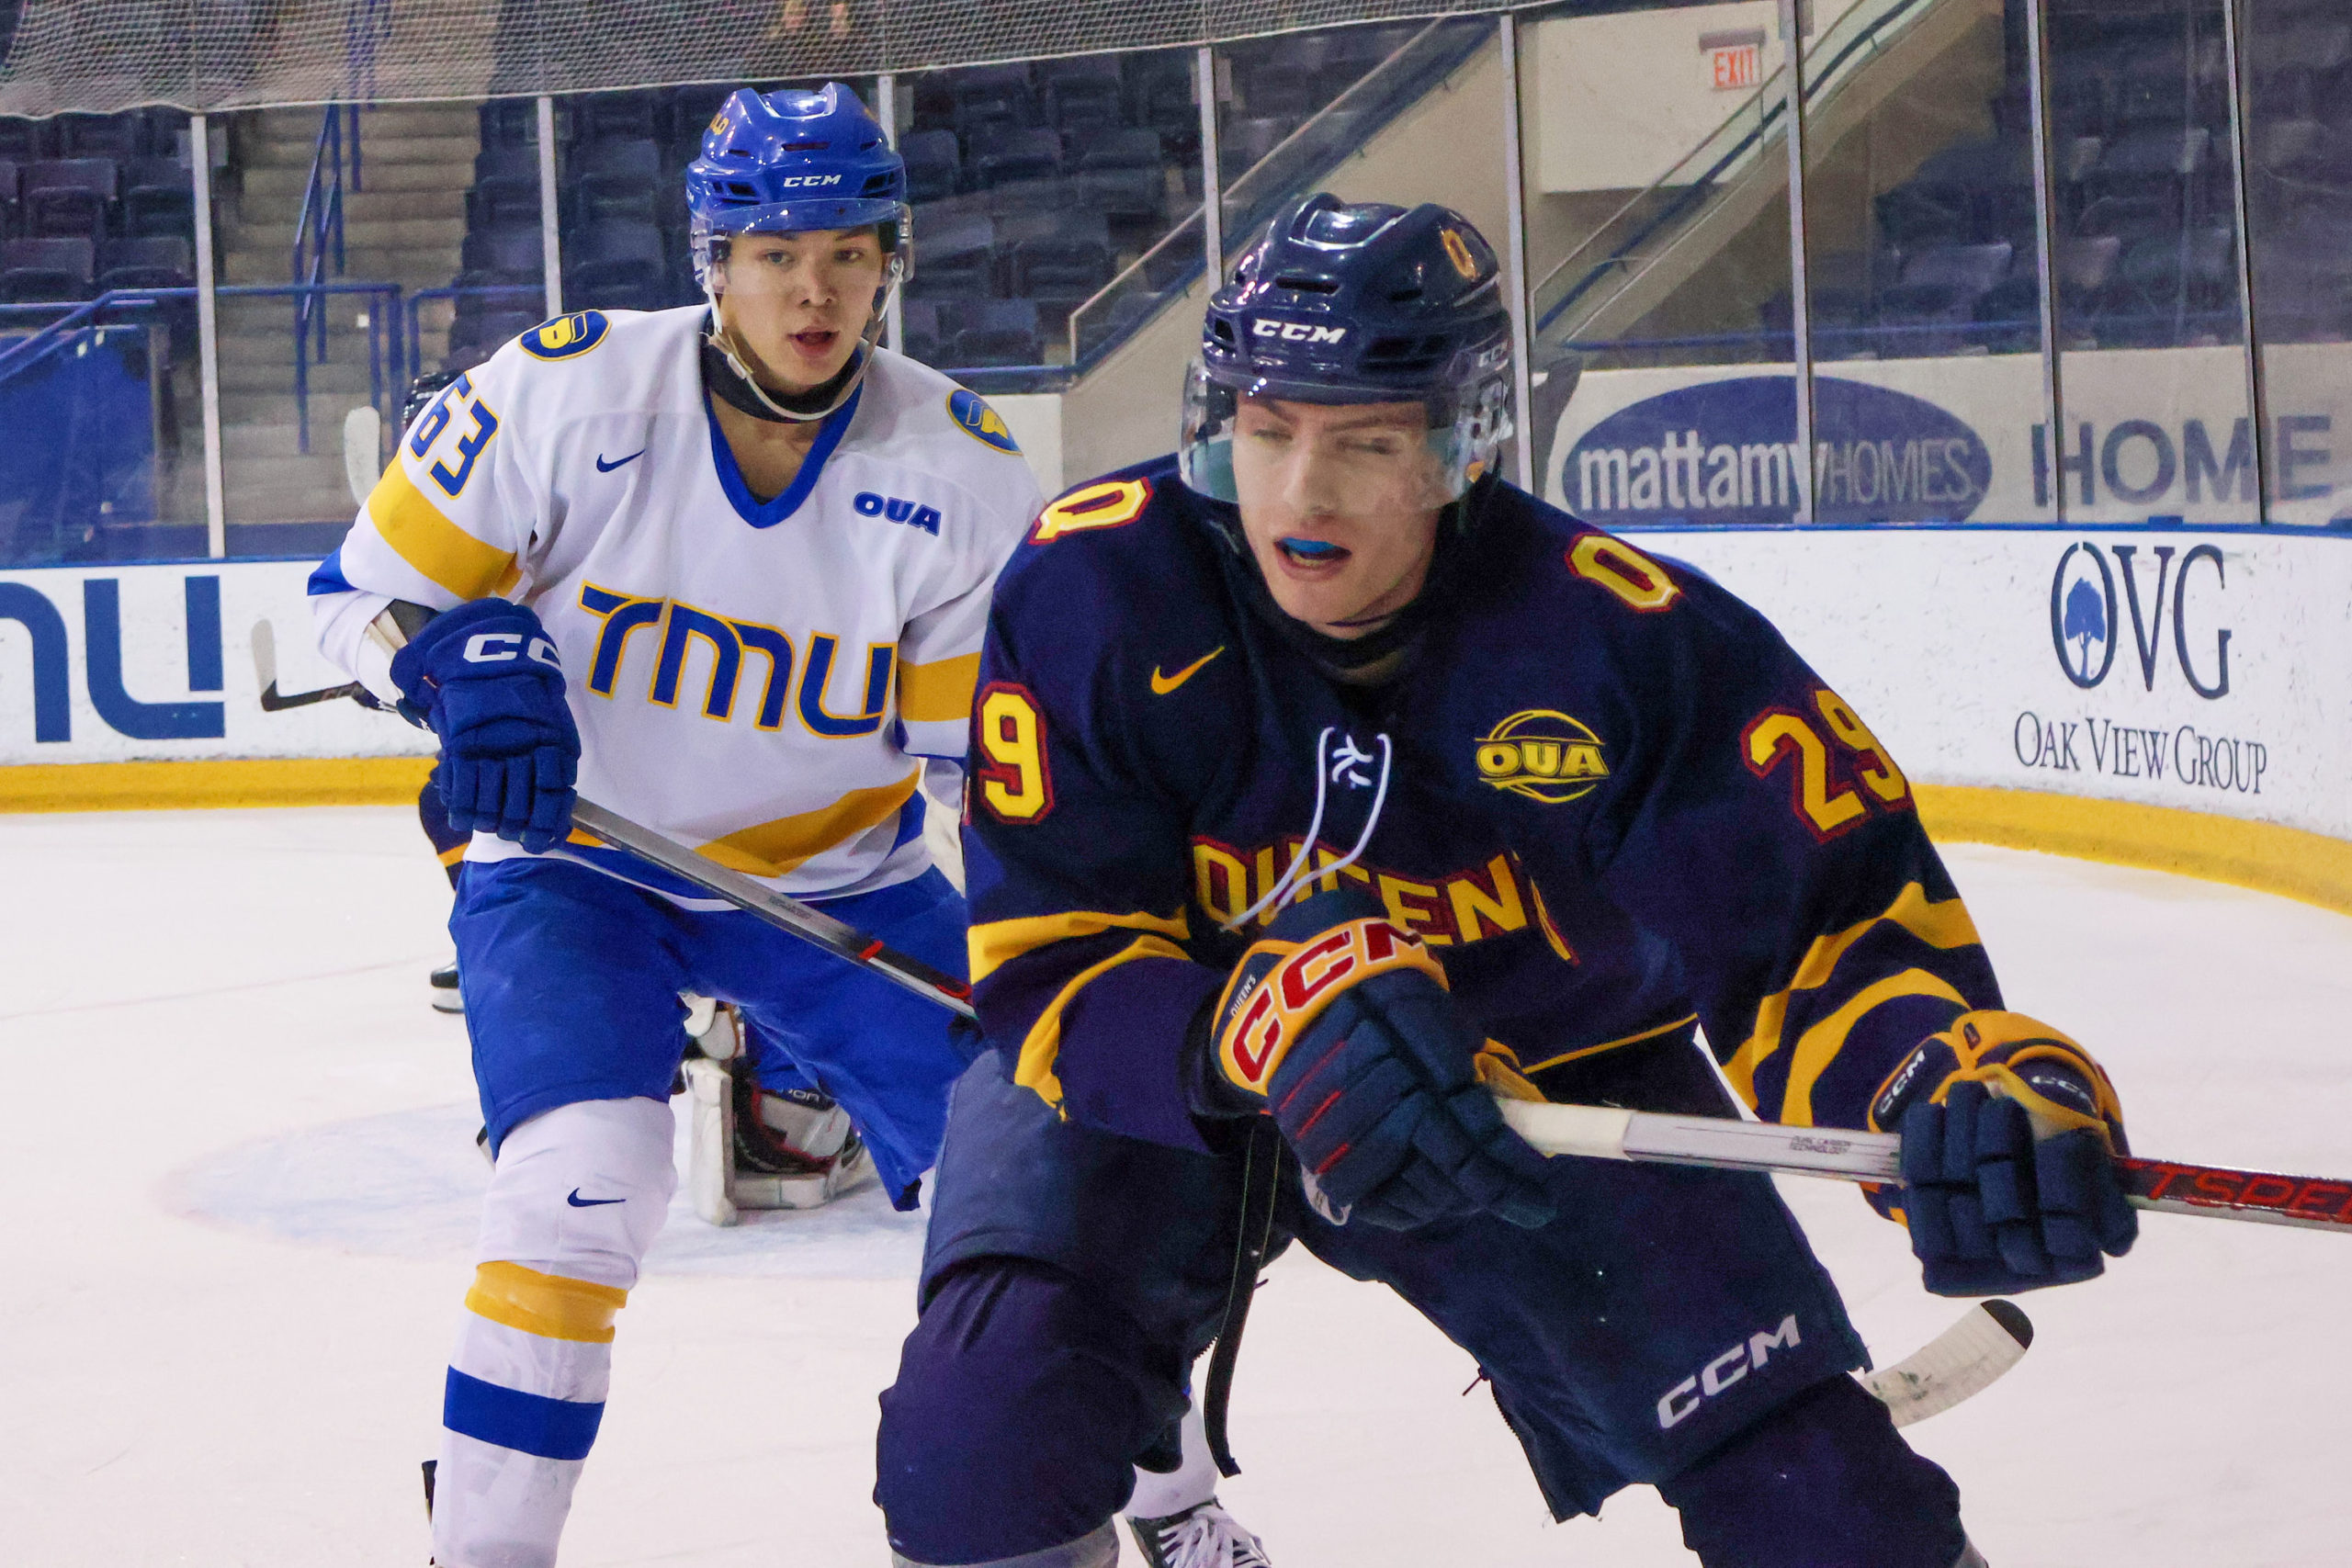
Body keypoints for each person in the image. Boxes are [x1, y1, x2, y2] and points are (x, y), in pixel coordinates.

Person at [874, 193, 2139, 1568]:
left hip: (1531, 1092)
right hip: (1164, 1075)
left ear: (1461, 442)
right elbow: (1050, 956)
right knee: (976, 1445)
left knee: (1828, 1513)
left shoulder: (1624, 640)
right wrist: (1250, 1026)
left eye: (1364, 440)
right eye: (1270, 430)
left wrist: (1942, 1082)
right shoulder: (1098, 585)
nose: (1304, 491)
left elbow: (1826, 933)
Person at [306, 85, 1045, 1567]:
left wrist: (1071, 947)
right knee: (578, 1191)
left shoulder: (963, 473)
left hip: (843, 881)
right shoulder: (563, 394)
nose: (814, 288)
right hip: (578, 867)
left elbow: (982, 774)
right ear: (713, 259)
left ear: (891, 260)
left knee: (1053, 1192)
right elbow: (343, 608)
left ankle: (1168, 1502)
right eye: (775, 252)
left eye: (846, 251)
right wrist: (441, 665)